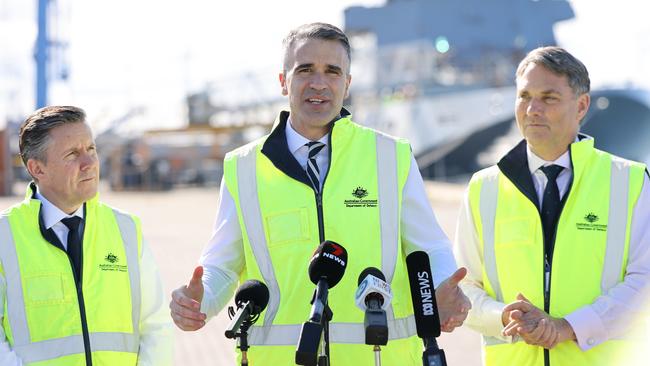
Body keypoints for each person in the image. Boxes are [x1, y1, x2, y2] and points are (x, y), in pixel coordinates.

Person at [170, 22, 470, 364]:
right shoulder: (243, 168)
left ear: (347, 83)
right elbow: (222, 264)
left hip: (378, 358)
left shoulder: (391, 157)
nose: (319, 83)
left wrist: (443, 287)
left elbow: (428, 246)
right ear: (283, 81)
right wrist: (200, 301)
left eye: (332, 71)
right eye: (305, 70)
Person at [455, 46, 650, 366]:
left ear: (582, 105)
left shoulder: (629, 181)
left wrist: (569, 327)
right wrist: (502, 316)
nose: (532, 109)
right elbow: (464, 286)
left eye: (549, 97)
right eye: (524, 96)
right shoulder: (483, 188)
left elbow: (645, 283)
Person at [0, 106, 173, 365]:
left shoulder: (126, 229)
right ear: (37, 168)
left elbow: (156, 325)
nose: (89, 163)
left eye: (91, 149)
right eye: (72, 154)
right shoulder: (4, 236)